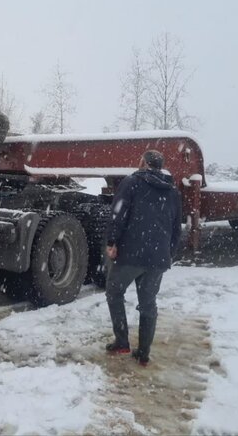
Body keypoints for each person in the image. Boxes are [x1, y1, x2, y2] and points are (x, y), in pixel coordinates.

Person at [104, 149, 182, 366]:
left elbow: (118, 214)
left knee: (114, 291)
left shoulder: (132, 183)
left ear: (144, 163)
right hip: (158, 259)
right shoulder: (173, 191)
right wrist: (169, 253)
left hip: (131, 254)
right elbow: (177, 228)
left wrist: (112, 242)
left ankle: (121, 342)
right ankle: (144, 352)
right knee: (148, 304)